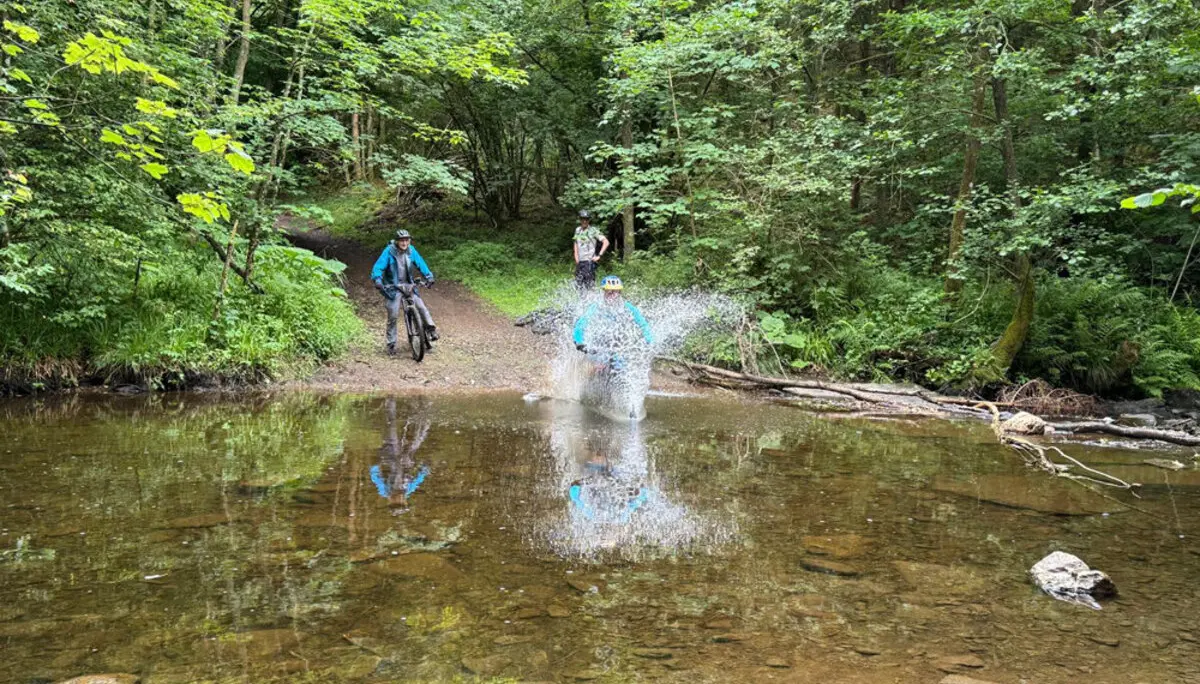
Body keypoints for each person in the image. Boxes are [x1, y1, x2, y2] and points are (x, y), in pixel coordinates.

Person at [371, 229, 437, 354]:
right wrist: (377, 279)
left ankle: (430, 329)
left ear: (409, 241)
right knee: (393, 314)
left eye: (406, 240)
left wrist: (429, 276)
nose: (404, 243)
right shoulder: (389, 251)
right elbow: (378, 267)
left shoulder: (411, 250)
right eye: (401, 240)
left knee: (421, 307)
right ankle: (391, 344)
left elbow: (420, 263)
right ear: (397, 241)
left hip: (409, 285)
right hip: (393, 287)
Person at [573, 275, 653, 354]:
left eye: (616, 292)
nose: (613, 296)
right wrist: (579, 341)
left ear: (620, 292)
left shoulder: (628, 307)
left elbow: (643, 324)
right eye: (610, 292)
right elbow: (581, 325)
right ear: (604, 292)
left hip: (619, 343)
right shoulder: (596, 307)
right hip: (600, 344)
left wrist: (650, 341)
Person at [573, 210, 609, 291]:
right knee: (578, 286)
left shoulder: (593, 230)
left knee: (589, 285)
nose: (584, 221)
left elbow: (606, 242)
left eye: (586, 219)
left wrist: (599, 256)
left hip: (589, 262)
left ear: (589, 220)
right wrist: (576, 257)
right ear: (580, 219)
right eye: (582, 219)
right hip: (580, 262)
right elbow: (575, 242)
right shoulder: (578, 230)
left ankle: (593, 298)